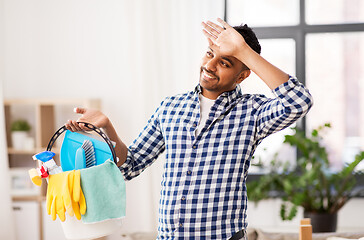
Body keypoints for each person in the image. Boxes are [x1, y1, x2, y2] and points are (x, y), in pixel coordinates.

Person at [65, 18, 313, 240]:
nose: (210, 65)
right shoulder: (170, 107)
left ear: (242, 76)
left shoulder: (252, 112)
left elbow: (299, 101)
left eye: (225, 62)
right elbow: (129, 165)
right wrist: (107, 127)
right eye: (209, 53)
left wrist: (242, 51)